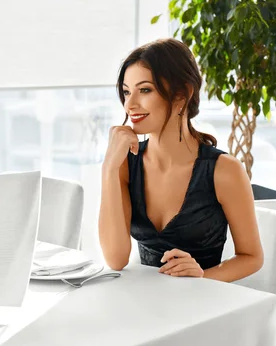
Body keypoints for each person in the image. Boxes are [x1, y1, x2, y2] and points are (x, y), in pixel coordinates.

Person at [99, 38, 263, 282]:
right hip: (145, 301)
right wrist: (109, 168)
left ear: (181, 95)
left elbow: (252, 257)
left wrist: (203, 276)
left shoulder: (224, 171)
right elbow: (116, 259)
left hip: (202, 306)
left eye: (145, 90)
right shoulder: (125, 163)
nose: (130, 104)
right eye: (126, 92)